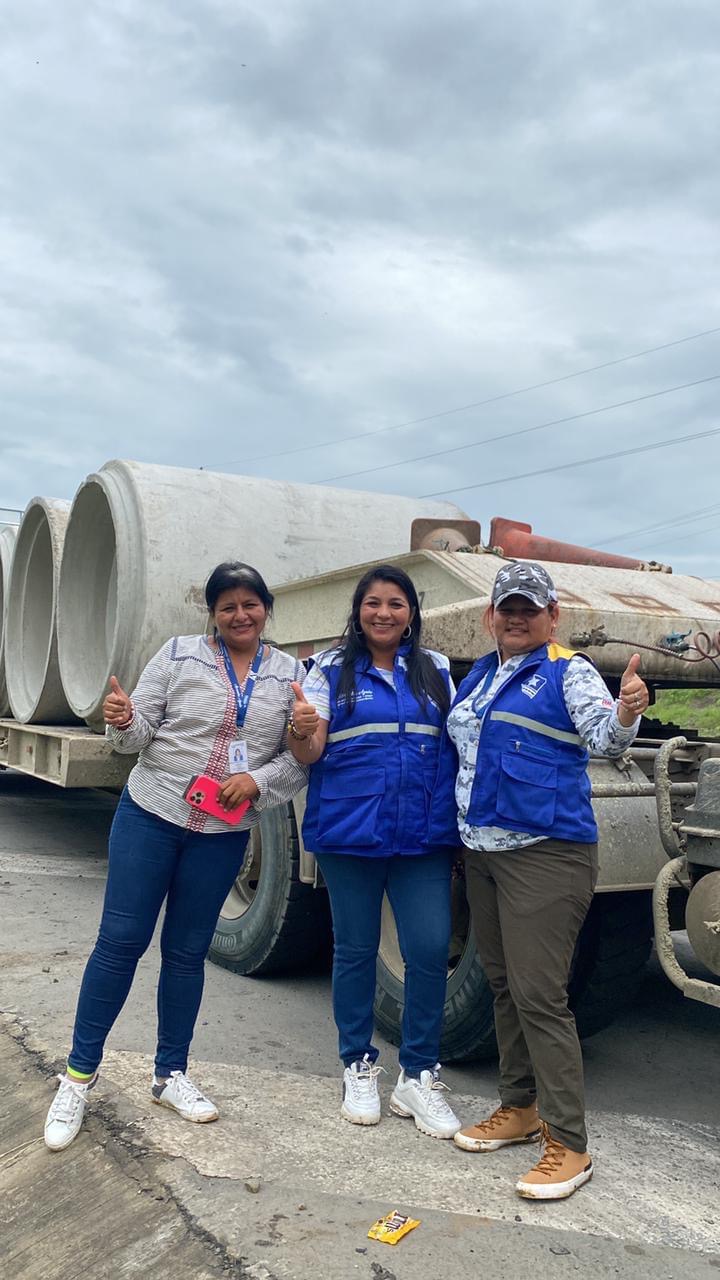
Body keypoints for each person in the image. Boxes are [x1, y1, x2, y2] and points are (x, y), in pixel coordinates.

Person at [44, 561, 307, 1152]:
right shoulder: (179, 655)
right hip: (151, 815)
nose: (240, 615)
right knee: (119, 944)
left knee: (187, 955)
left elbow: (299, 759)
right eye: (227, 606)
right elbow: (136, 736)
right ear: (212, 614)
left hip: (220, 834)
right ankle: (78, 1078)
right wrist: (123, 720)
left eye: (250, 604)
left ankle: (170, 1074)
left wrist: (258, 783)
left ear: (267, 609)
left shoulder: (291, 674)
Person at [429, 560, 649, 1199]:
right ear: (489, 617)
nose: (518, 618)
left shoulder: (567, 670)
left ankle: (570, 1143)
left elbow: (606, 740)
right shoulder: (481, 675)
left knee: (539, 995)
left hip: (546, 855)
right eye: (508, 609)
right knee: (502, 985)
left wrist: (627, 712)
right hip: (484, 854)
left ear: (554, 617)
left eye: (531, 609)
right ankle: (519, 1107)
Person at [287, 564, 461, 1139]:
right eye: (373, 603)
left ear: (411, 614)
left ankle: (418, 1073)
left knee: (429, 949)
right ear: (358, 611)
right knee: (357, 950)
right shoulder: (329, 670)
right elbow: (310, 752)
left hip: (423, 835)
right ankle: (357, 1064)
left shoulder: (436, 669)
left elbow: (458, 741)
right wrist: (301, 729)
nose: (384, 613)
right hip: (352, 832)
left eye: (396, 603)